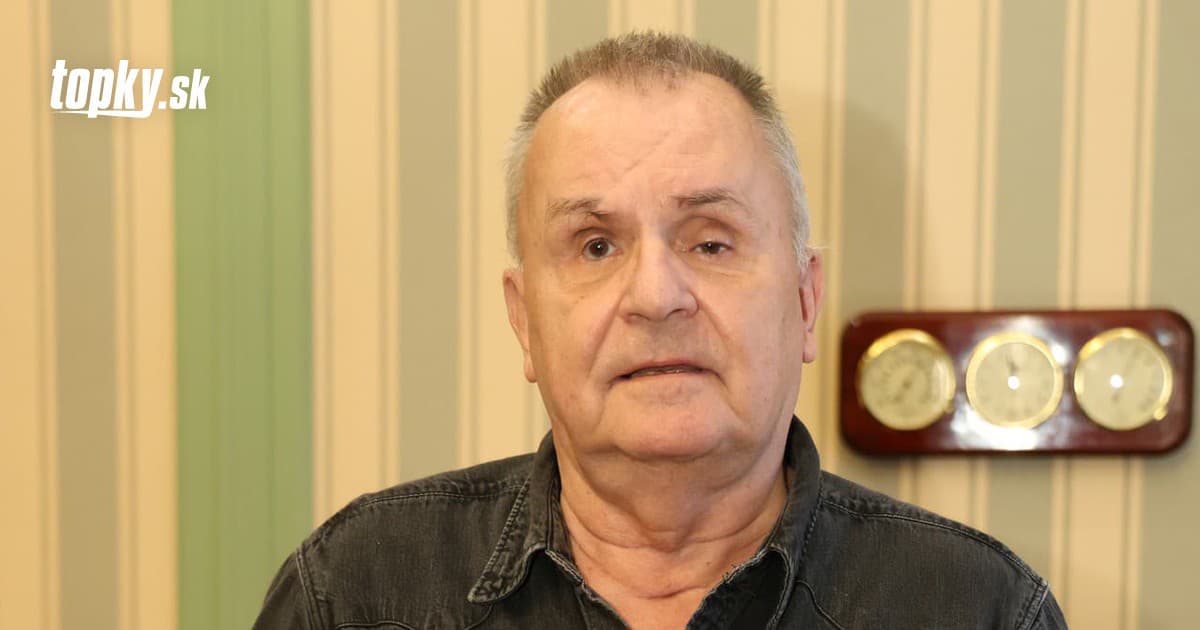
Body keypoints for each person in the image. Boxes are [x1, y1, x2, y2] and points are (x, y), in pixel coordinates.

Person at [254, 32, 1066, 629]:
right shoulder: (352, 595)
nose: (654, 296)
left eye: (711, 242)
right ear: (524, 320)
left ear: (805, 300)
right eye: (595, 245)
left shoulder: (982, 610)